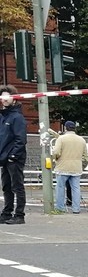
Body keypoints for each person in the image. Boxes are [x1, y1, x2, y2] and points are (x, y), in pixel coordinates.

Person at [0, 85, 28, 225]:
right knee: (6, 186)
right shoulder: (3, 116)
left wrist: (13, 155)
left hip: (13, 158)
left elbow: (20, 139)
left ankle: (19, 215)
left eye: (7, 97)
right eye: (2, 97)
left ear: (14, 99)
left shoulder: (17, 117)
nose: (4, 100)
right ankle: (6, 213)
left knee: (17, 186)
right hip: (4, 157)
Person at [51, 121, 88, 214]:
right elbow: (85, 156)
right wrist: (82, 165)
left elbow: (56, 152)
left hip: (62, 166)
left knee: (60, 187)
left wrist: (56, 159)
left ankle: (60, 208)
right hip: (76, 167)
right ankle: (76, 208)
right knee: (76, 188)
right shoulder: (81, 140)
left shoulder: (61, 139)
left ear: (65, 128)